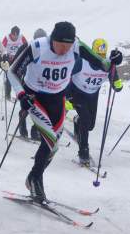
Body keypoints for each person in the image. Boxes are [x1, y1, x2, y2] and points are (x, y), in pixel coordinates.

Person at [7, 21, 122, 202]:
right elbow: (12, 72)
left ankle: (33, 177)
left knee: (53, 148)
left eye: (68, 47)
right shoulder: (37, 47)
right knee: (50, 140)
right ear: (52, 39)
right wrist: (21, 94)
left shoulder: (76, 46)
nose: (64, 50)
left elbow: (102, 64)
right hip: (35, 98)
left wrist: (114, 60)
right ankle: (36, 180)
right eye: (60, 45)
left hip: (57, 99)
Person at [67, 38, 123, 165]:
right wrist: (68, 96)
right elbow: (67, 75)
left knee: (90, 125)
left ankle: (77, 121)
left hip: (93, 95)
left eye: (103, 55)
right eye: (97, 54)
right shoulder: (82, 61)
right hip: (77, 93)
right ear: (92, 51)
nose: (100, 58)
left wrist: (117, 85)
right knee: (86, 120)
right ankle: (83, 151)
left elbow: (116, 81)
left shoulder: (107, 65)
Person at [17, 28, 47, 140]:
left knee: (41, 109)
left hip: (42, 84)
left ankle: (35, 131)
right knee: (27, 106)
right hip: (26, 81)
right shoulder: (27, 46)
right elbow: (16, 62)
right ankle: (22, 126)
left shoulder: (47, 48)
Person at [2, 26, 27, 101]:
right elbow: (2, 48)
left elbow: (26, 46)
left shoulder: (21, 37)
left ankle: (19, 95)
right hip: (9, 60)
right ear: (11, 34)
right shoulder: (7, 38)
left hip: (18, 60)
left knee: (19, 78)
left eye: (16, 35)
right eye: (14, 35)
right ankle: (7, 95)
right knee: (9, 77)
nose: (15, 37)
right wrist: (5, 56)